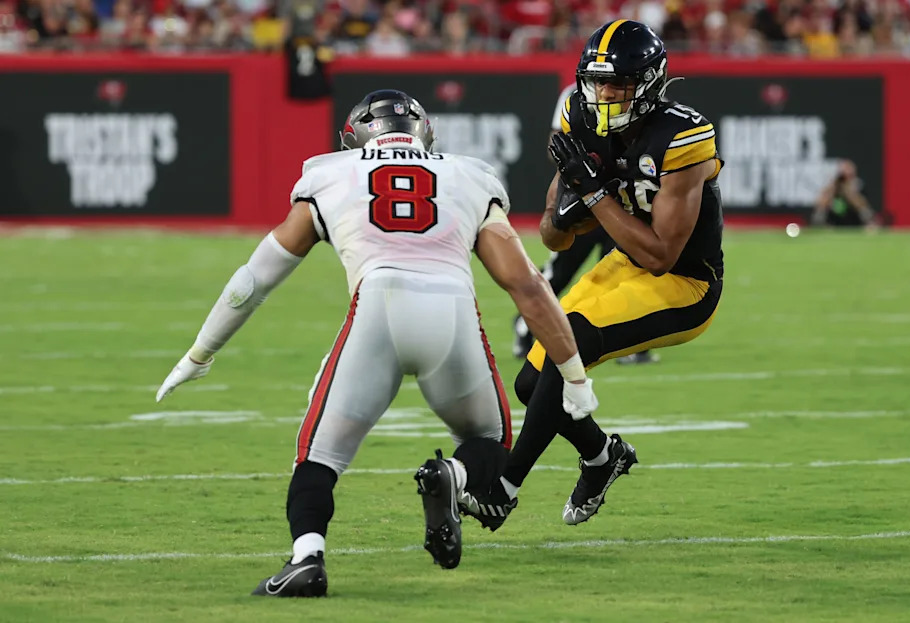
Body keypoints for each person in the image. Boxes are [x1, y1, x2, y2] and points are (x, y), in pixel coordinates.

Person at [155, 90, 599, 596]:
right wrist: (573, 373)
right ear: (424, 134)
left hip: (378, 307)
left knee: (319, 456)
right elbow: (527, 285)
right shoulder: (468, 174)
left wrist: (200, 353)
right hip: (453, 310)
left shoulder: (330, 172)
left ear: (353, 139)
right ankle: (454, 474)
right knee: (491, 447)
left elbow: (253, 281)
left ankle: (307, 558)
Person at [462, 20, 724, 530]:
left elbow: (660, 256)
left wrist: (597, 192)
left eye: (619, 84)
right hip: (625, 263)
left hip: (685, 284)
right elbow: (552, 238)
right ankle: (604, 457)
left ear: (649, 83)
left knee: (571, 343)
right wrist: (572, 203)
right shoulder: (578, 118)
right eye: (598, 82)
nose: (604, 95)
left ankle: (505, 487)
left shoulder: (685, 135)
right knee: (532, 380)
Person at [513, 81, 659, 366]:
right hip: (586, 198)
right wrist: (579, 174)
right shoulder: (574, 96)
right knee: (561, 271)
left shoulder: (639, 95)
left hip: (621, 201)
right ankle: (524, 324)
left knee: (623, 272)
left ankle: (628, 342)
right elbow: (557, 144)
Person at [811, 159, 882, 229]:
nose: (846, 174)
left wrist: (849, 192)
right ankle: (820, 227)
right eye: (843, 171)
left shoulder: (858, 184)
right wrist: (831, 191)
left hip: (855, 220)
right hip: (835, 221)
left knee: (860, 205)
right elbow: (820, 202)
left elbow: (863, 204)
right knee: (824, 201)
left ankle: (870, 224)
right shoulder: (834, 185)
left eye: (848, 170)